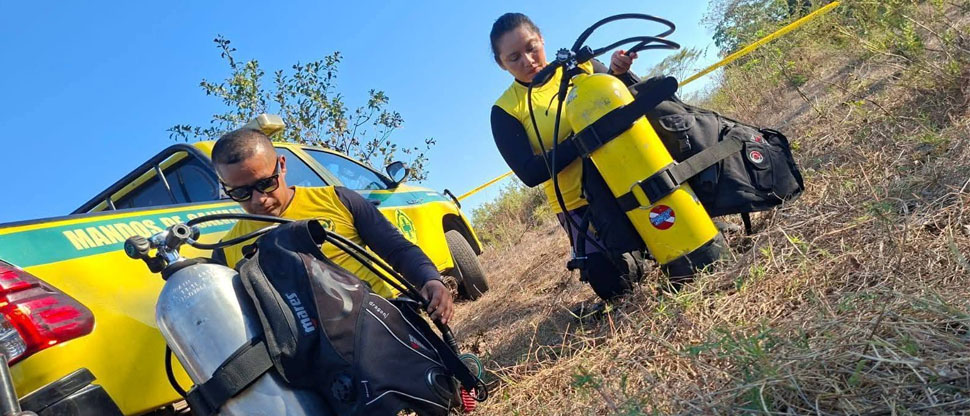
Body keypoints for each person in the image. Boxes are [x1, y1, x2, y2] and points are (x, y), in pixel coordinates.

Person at [212, 129, 455, 324]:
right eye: (241, 193)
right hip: (317, 363)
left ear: (282, 165)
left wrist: (431, 280)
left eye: (266, 183)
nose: (258, 199)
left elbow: (397, 249)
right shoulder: (227, 250)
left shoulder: (337, 199)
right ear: (225, 188)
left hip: (386, 323)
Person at [489, 12, 645, 304]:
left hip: (630, 174)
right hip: (579, 204)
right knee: (616, 286)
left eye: (532, 47)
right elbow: (530, 173)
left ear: (542, 39)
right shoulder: (506, 110)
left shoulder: (580, 66)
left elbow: (621, 102)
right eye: (514, 58)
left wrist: (618, 72)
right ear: (501, 64)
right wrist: (585, 140)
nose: (528, 60)